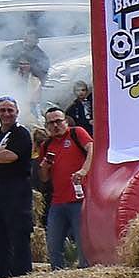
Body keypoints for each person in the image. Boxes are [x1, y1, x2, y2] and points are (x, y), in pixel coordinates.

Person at [34, 104, 90, 267]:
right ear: (47, 126)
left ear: (66, 121)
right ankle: (58, 277)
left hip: (80, 199)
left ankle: (85, 276)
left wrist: (84, 170)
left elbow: (92, 147)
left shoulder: (76, 133)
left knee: (82, 243)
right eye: (50, 123)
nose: (55, 125)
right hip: (57, 202)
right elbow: (44, 179)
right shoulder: (46, 145)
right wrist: (44, 167)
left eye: (58, 121)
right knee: (53, 244)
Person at [0, 94, 34, 278]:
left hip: (17, 193)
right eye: (2, 110)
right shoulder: (0, 135)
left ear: (17, 112)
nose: (6, 114)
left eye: (10, 110)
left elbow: (10, 157)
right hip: (0, 193)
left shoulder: (21, 133)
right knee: (1, 239)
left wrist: (3, 154)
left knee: (19, 237)